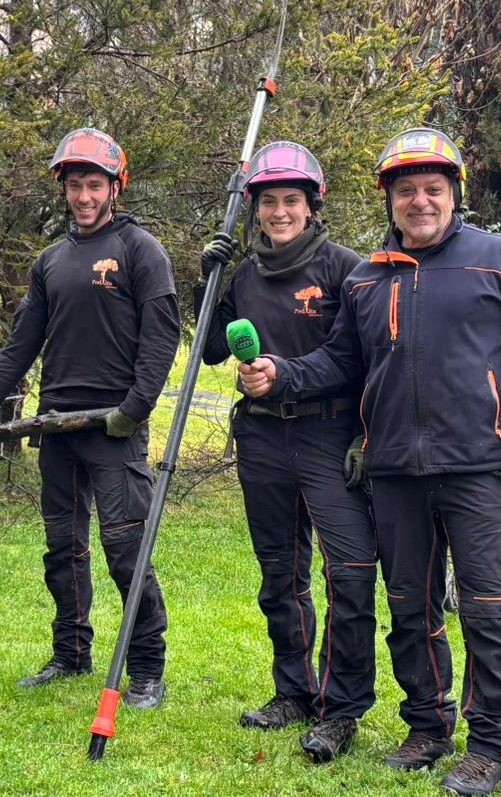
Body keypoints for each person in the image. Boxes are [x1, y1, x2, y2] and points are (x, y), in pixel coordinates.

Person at [238, 127, 501, 794]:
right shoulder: (368, 278)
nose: (419, 202)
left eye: (432, 189)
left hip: (479, 467)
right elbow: (339, 362)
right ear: (389, 200)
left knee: (489, 610)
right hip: (394, 472)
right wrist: (279, 374)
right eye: (406, 191)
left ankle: (491, 744)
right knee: (411, 611)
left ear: (454, 194)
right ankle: (427, 725)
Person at [0, 127, 180, 709]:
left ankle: (147, 670)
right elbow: (20, 345)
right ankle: (70, 653)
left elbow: (161, 339)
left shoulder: (140, 250)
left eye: (94, 186)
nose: (84, 196)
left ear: (115, 188)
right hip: (55, 425)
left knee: (126, 551)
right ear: (63, 188)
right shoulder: (51, 260)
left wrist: (133, 411)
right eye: (75, 185)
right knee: (63, 548)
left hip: (113, 428)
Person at [194, 142, 378, 762]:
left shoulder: (344, 269)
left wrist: (285, 375)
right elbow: (211, 350)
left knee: (349, 572)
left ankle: (342, 708)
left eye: (291, 200)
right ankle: (294, 691)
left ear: (311, 205)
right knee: (280, 574)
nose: (279, 212)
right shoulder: (245, 276)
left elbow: (353, 359)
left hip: (329, 435)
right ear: (255, 209)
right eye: (268, 201)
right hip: (262, 437)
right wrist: (208, 282)